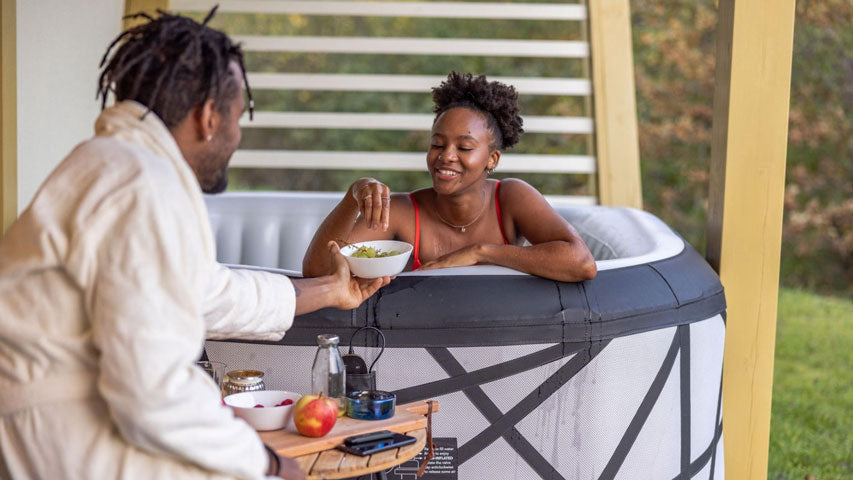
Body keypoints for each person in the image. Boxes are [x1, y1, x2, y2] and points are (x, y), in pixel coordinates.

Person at [0, 9, 390, 480]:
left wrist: (331, 290)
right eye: (238, 114)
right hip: (69, 444)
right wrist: (263, 462)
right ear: (209, 116)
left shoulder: (109, 165)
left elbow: (205, 293)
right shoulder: (143, 184)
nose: (238, 135)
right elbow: (153, 393)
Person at [302, 72, 597, 282]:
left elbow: (581, 263)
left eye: (465, 147)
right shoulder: (404, 212)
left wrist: (481, 253)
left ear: (492, 159)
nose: (446, 156)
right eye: (437, 144)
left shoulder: (510, 198)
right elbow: (318, 272)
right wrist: (352, 196)